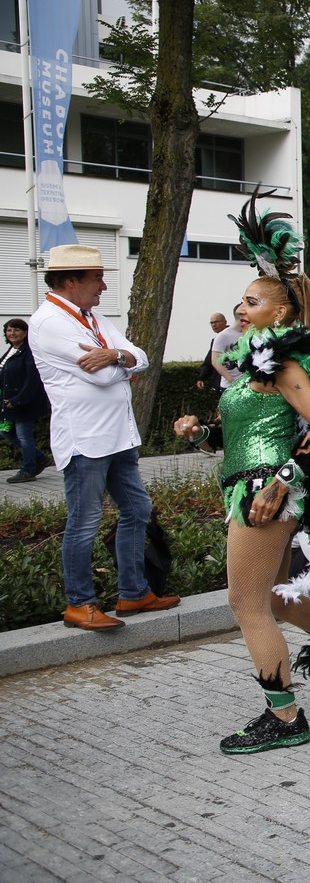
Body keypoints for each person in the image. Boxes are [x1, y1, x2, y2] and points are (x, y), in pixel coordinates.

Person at [174, 192, 310, 753]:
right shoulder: (251, 365)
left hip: (265, 493)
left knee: (244, 605)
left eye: (252, 302)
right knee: (270, 599)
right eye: (240, 301)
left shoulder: (284, 362)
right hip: (248, 484)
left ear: (281, 313)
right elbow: (244, 438)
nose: (241, 309)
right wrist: (200, 434)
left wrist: (282, 481)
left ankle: (286, 717)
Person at [28, 245, 179, 631]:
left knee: (138, 510)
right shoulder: (48, 322)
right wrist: (120, 359)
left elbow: (140, 356)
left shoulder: (91, 316)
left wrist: (115, 355)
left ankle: (134, 593)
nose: (104, 286)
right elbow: (104, 376)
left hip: (118, 436)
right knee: (84, 522)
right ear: (70, 280)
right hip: (85, 440)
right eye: (97, 278)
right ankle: (79, 604)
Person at [2, 318, 50, 483]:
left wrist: (18, 400)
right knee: (6, 432)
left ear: (25, 332)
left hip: (24, 403)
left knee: (24, 436)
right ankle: (40, 458)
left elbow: (32, 380)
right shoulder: (11, 351)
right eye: (9, 330)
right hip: (10, 402)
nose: (12, 333)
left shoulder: (29, 352)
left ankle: (28, 470)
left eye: (16, 330)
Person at [210, 304, 244, 390]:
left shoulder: (248, 333)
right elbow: (215, 361)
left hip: (248, 385)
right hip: (230, 386)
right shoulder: (223, 335)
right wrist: (231, 380)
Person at [195, 311, 229, 391]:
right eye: (212, 323)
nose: (214, 325)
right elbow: (209, 361)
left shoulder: (235, 336)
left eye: (217, 322)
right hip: (220, 384)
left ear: (225, 322)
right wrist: (202, 378)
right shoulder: (215, 340)